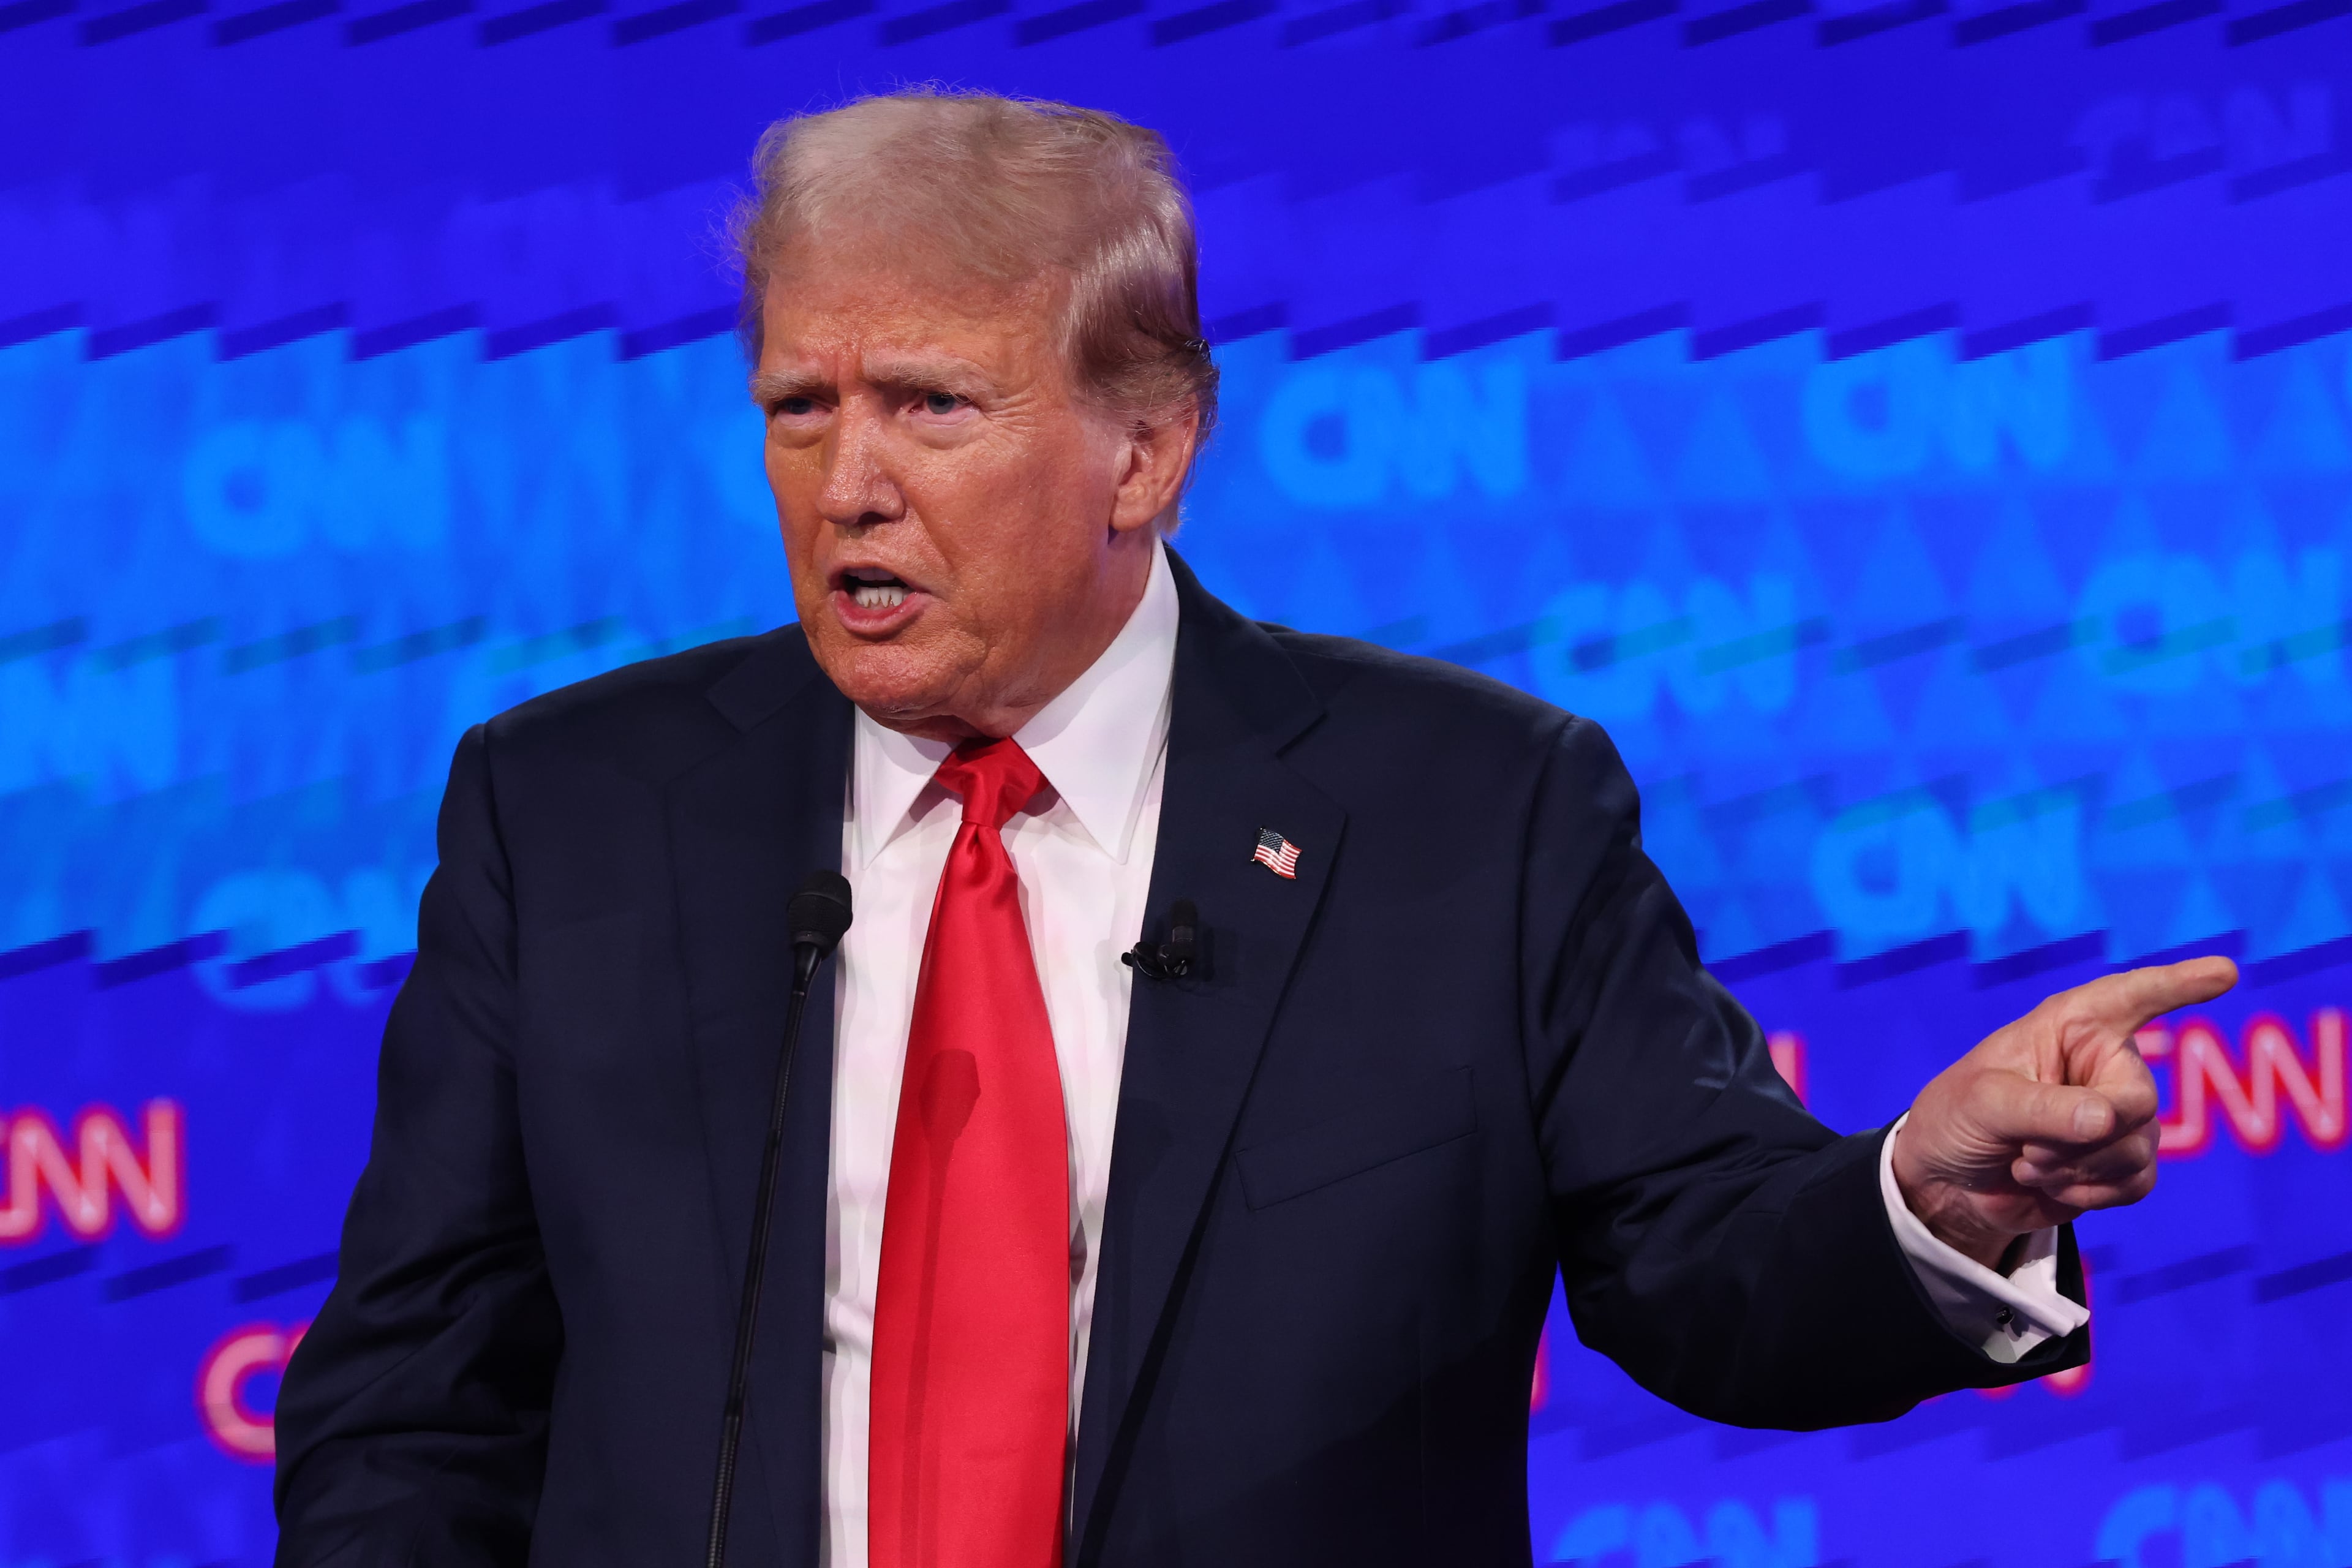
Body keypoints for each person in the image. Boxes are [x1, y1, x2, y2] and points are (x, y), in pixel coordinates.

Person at [273, 90, 2237, 1568]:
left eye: (932, 407)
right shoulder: (576, 809)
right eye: (801, 407)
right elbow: (417, 1402)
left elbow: (1703, 1258)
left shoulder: (1475, 811)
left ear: (1148, 447)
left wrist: (1938, 1198)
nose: (847, 483)